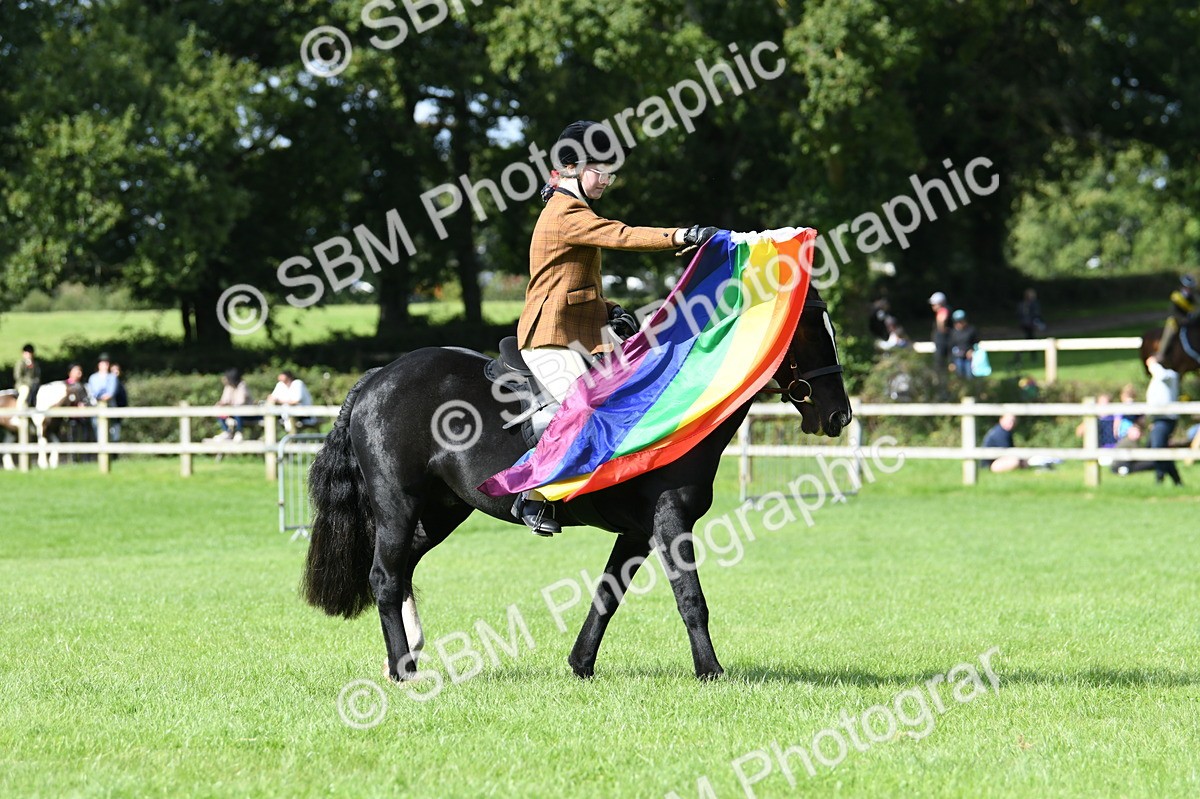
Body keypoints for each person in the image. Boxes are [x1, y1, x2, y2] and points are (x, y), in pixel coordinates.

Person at [512, 119, 716, 535]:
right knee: (582, 407)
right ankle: (531, 497)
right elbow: (621, 235)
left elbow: (568, 283)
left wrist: (608, 310)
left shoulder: (574, 208)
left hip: (579, 333)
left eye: (611, 172)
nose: (606, 180)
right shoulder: (566, 210)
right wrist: (683, 235)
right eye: (599, 170)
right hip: (549, 335)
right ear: (571, 168)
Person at [1145, 356, 1183, 486]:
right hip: (1158, 419)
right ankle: (1176, 481)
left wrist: (1152, 364)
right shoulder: (1161, 378)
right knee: (1161, 448)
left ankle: (1159, 480)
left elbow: (1161, 374)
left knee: (1158, 448)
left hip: (1165, 418)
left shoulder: (1169, 375)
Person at [1156, 274, 1198, 361]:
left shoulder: (1193, 297)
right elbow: (1174, 312)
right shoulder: (1176, 296)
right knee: (1169, 334)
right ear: (1183, 286)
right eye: (1188, 287)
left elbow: (1195, 307)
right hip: (1176, 321)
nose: (1189, 289)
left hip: (1190, 322)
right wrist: (1184, 319)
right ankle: (1161, 354)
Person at [211, 368, 253, 442]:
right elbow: (224, 399)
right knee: (220, 411)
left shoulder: (242, 385)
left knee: (237, 411)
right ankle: (227, 432)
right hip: (232, 411)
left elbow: (240, 402)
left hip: (245, 412)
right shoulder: (228, 387)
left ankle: (239, 432)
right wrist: (222, 403)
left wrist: (228, 404)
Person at [11, 344, 40, 426]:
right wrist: (30, 381)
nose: (29, 355)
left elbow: (37, 375)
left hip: (34, 385)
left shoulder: (35, 364)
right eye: (27, 353)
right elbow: (18, 376)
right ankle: (17, 413)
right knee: (25, 391)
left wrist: (36, 382)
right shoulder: (20, 363)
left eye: (30, 353)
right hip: (22, 384)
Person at [948, 309, 980, 377]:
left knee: (969, 375)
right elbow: (951, 347)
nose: (958, 324)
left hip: (969, 358)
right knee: (959, 376)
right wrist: (951, 362)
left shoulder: (971, 330)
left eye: (960, 321)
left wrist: (972, 350)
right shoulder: (953, 332)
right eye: (956, 322)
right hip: (958, 358)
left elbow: (976, 343)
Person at [928, 292, 951, 372]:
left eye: (934, 304)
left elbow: (942, 319)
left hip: (942, 343)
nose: (932, 306)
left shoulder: (943, 310)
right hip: (944, 343)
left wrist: (941, 328)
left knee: (940, 366)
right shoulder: (946, 309)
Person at [109, 363, 128, 443]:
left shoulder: (121, 385)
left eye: (117, 370)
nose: (115, 372)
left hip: (118, 411)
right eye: (113, 370)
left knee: (116, 431)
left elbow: (123, 399)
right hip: (110, 410)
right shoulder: (108, 384)